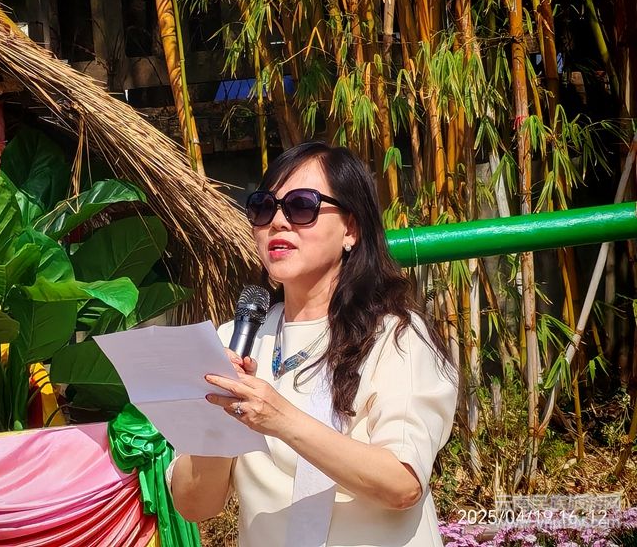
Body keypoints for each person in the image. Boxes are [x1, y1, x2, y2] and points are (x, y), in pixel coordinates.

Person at [168, 142, 458, 547]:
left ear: (351, 229)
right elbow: (194, 505)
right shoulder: (232, 341)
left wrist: (279, 418)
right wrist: (218, 423)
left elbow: (402, 484)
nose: (278, 223)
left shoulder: (396, 336)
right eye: (263, 208)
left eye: (301, 206)